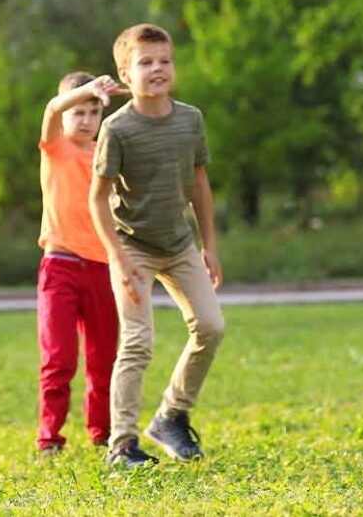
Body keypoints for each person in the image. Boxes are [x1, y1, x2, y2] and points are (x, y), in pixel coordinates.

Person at [90, 23, 225, 468]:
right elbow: (96, 199)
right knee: (137, 343)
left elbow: (200, 186)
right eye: (145, 63)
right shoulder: (117, 128)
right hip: (133, 248)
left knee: (210, 327)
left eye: (164, 60)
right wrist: (118, 258)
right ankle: (122, 444)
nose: (157, 69)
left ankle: (172, 415)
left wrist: (209, 245)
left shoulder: (191, 119)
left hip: (179, 243)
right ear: (125, 74)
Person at [35, 71, 128, 454]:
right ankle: (50, 437)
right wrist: (81, 94)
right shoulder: (55, 148)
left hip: (104, 269)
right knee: (58, 359)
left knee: (104, 359)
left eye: (94, 111)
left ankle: (101, 432)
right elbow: (53, 108)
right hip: (60, 267)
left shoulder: (107, 159)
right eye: (79, 111)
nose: (86, 119)